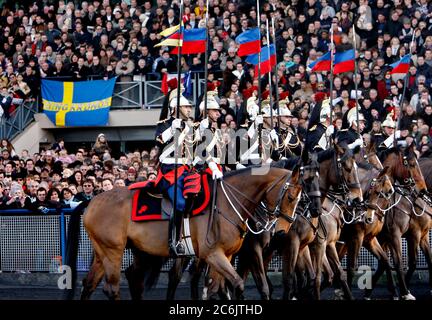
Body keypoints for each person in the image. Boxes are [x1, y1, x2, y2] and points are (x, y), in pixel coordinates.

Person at [155, 89, 222, 257]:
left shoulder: (192, 127)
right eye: (185, 107)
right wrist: (172, 129)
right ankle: (174, 240)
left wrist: (213, 167)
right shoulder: (165, 123)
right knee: (179, 204)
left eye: (189, 107)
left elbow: (200, 150)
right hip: (169, 172)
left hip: (187, 171)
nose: (189, 110)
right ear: (176, 108)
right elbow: (159, 141)